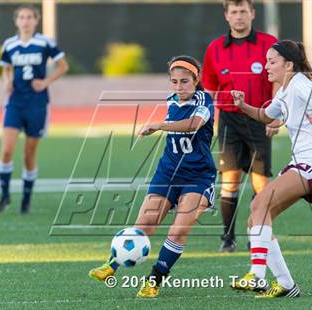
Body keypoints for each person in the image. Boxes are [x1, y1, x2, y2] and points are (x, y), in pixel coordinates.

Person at [88, 55, 216, 298]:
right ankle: (111, 266)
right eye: (175, 82)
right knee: (143, 225)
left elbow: (193, 125)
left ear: (196, 79)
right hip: (167, 172)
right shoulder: (171, 101)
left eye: (185, 82)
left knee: (177, 232)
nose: (179, 87)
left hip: (197, 176)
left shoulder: (204, 100)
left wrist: (159, 125)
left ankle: (154, 281)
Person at [229, 39, 312, 298]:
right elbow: (266, 116)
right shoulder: (283, 91)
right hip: (301, 162)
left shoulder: (301, 84)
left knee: (260, 204)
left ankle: (257, 275)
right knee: (255, 218)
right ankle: (286, 284)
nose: (266, 66)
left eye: (272, 61)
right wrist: (243, 106)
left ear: (289, 65)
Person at [202, 0, 279, 252]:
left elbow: (279, 81)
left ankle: (256, 236)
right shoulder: (214, 48)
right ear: (226, 16)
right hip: (229, 121)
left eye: (243, 11)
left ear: (252, 14)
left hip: (259, 118)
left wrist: (275, 115)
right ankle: (228, 238)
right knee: (230, 181)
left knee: (260, 183)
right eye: (233, 12)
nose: (239, 16)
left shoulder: (269, 45)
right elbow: (210, 89)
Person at [0, 4, 68, 214]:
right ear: (16, 21)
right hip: (15, 102)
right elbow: (6, 69)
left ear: (36, 20)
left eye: (29, 17)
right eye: (21, 17)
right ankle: (5, 195)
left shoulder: (45, 42)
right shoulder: (9, 44)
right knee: (7, 150)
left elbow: (63, 66)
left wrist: (46, 82)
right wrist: (6, 80)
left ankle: (26, 200)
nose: (25, 21)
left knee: (28, 155)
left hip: (37, 103)